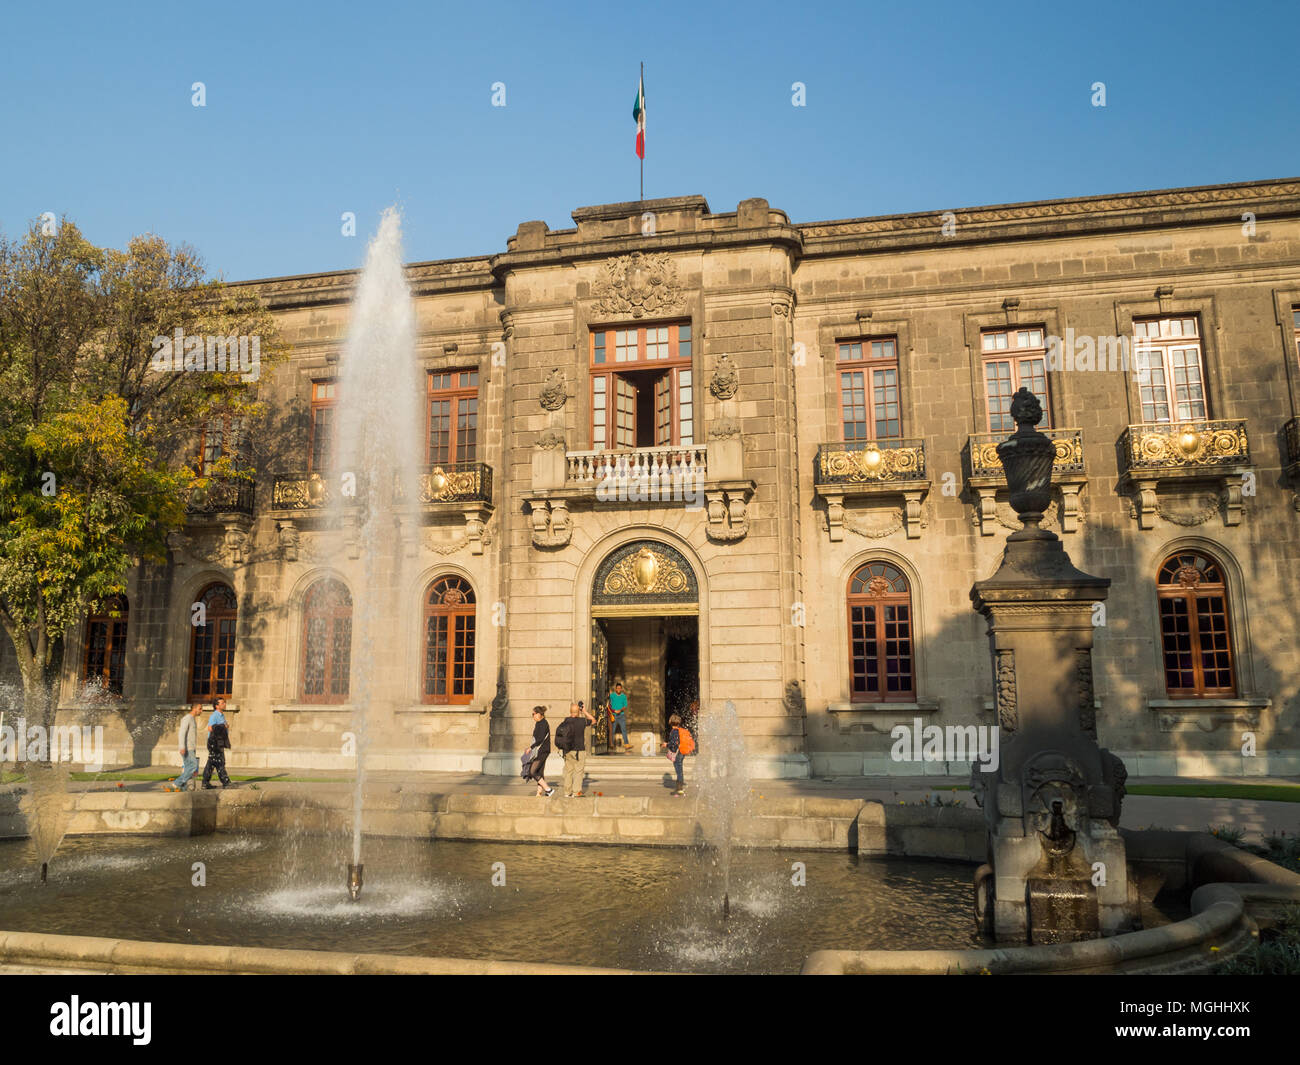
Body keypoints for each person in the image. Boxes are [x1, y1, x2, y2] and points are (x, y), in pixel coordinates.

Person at [558, 701, 596, 797]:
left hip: (568, 750)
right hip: (579, 750)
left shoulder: (566, 720)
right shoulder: (582, 721)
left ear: (570, 711)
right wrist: (584, 711)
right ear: (578, 711)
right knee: (578, 771)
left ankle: (567, 792)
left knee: (569, 771)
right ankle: (576, 792)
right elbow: (594, 720)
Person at [164, 704, 203, 792]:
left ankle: (183, 788)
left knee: (188, 768)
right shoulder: (187, 718)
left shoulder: (192, 719)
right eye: (200, 709)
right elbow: (182, 733)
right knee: (193, 766)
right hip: (187, 748)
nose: (201, 711)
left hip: (191, 747)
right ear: (194, 708)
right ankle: (177, 783)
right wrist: (182, 747)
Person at [202, 697, 233, 789]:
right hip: (214, 742)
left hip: (219, 742)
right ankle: (226, 782)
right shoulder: (214, 715)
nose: (224, 704)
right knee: (220, 762)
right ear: (217, 706)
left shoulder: (221, 715)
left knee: (212, 763)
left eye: (224, 702)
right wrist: (223, 726)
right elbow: (210, 728)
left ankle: (205, 783)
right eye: (222, 703)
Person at [523, 705, 554, 797]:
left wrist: (531, 747)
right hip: (541, 750)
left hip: (543, 750)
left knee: (532, 771)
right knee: (539, 771)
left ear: (539, 714)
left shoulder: (543, 724)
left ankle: (548, 789)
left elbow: (540, 739)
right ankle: (539, 792)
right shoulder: (539, 723)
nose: (532, 716)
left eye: (533, 714)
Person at [661, 712, 690, 796]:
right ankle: (679, 787)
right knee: (680, 769)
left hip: (677, 753)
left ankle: (679, 788)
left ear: (670, 722)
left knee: (678, 770)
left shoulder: (674, 731)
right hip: (682, 751)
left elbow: (674, 744)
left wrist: (666, 744)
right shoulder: (680, 730)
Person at [608, 682, 631, 753]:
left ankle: (626, 744)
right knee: (613, 730)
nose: (618, 689)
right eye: (617, 688)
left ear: (621, 689)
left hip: (621, 715)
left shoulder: (623, 696)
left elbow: (625, 706)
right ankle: (611, 744)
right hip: (614, 715)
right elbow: (608, 704)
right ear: (615, 689)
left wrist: (620, 710)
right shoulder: (612, 695)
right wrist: (614, 711)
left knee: (624, 729)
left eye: (620, 688)